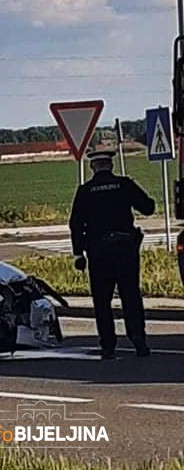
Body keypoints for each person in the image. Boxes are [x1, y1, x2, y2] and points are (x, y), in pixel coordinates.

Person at [68, 149, 156, 359]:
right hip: (125, 249)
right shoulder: (124, 185)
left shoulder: (86, 191)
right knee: (131, 296)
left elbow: (76, 224)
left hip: (99, 253)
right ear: (111, 166)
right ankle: (139, 341)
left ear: (92, 167)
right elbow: (148, 208)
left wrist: (78, 254)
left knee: (102, 300)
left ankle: (108, 346)